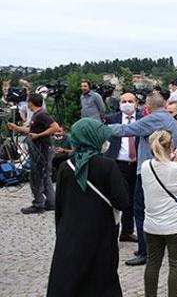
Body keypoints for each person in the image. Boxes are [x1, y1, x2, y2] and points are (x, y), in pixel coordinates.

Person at [47, 118, 130, 297]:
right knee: (101, 281)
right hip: (100, 234)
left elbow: (60, 204)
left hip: (70, 234)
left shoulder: (64, 167)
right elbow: (122, 201)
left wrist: (61, 233)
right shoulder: (107, 165)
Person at [109, 92, 177, 266]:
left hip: (148, 170)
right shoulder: (171, 120)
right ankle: (151, 248)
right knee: (154, 210)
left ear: (148, 106)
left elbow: (127, 130)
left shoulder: (153, 119)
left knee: (140, 210)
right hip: (163, 169)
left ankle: (145, 251)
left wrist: (102, 129)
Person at [142, 130, 177, 297]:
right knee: (176, 265)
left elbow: (163, 168)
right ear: (171, 146)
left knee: (152, 264)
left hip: (152, 225)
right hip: (176, 225)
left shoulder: (146, 166)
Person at [7, 92, 60, 214]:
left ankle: (38, 204)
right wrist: (16, 127)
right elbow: (31, 130)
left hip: (42, 149)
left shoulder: (42, 115)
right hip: (42, 149)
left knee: (36, 176)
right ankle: (51, 202)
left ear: (31, 103)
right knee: (45, 175)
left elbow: (55, 127)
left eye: (28, 102)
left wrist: (38, 135)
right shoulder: (37, 115)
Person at [104, 92, 142, 241]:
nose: (127, 103)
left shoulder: (143, 119)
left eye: (130, 101)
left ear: (136, 103)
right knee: (117, 196)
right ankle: (111, 230)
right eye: (124, 101)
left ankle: (127, 231)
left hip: (137, 163)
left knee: (133, 198)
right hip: (117, 163)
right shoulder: (111, 118)